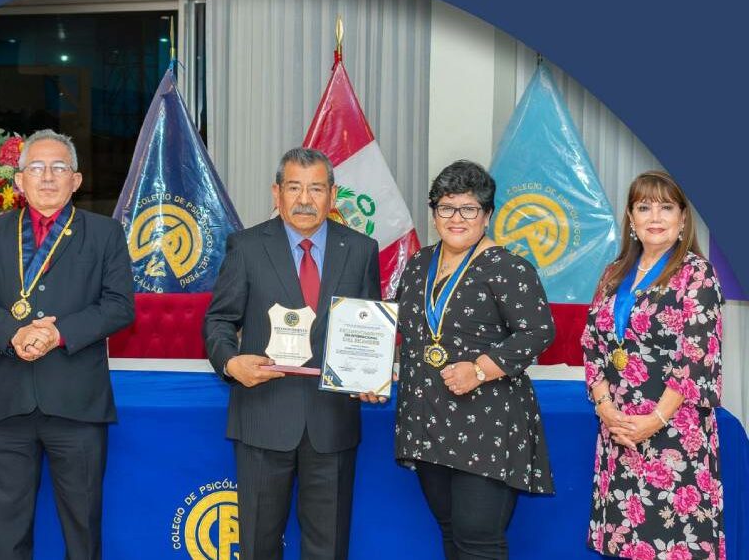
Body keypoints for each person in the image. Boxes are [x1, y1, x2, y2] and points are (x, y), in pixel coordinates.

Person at [0, 129, 134, 560]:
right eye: (36, 168)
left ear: (76, 180)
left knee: (82, 532)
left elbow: (119, 307)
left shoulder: (105, 233)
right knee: (8, 534)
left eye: (59, 168)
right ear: (19, 180)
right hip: (7, 405)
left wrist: (59, 333)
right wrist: (13, 333)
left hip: (77, 403)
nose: (48, 177)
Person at [203, 147, 381, 560]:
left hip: (332, 421)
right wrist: (230, 363)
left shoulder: (361, 249)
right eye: (294, 188)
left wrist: (372, 375)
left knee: (328, 547)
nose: (305, 199)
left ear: (332, 196)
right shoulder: (245, 247)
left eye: (316, 188)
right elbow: (218, 321)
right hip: (263, 417)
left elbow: (370, 326)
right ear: (276, 193)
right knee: (258, 547)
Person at [395, 159, 555, 560]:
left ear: (487, 215)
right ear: (433, 213)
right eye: (446, 208)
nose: (456, 218)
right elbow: (404, 330)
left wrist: (481, 369)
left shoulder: (509, 267)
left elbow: (539, 332)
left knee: (478, 541)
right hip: (427, 420)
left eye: (469, 209)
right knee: (451, 534)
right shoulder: (418, 264)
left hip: (487, 422)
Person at [581, 170, 725, 559]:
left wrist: (655, 420)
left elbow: (695, 356)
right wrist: (607, 410)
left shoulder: (697, 275)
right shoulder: (613, 274)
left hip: (673, 432)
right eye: (644, 207)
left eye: (666, 207)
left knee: (671, 543)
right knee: (625, 542)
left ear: (682, 218)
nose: (655, 217)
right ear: (630, 218)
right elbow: (593, 346)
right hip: (619, 433)